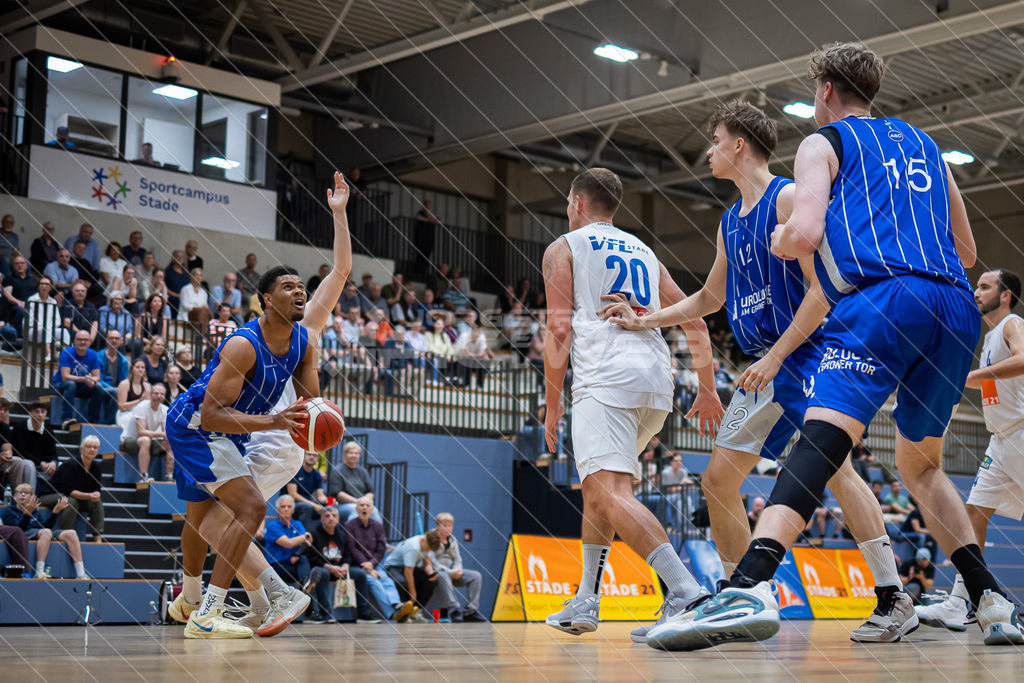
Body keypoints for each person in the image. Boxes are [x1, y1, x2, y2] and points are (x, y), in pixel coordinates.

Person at [648, 41, 1018, 651]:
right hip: (952, 308)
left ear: (824, 92)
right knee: (919, 466)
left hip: (878, 302)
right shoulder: (926, 145)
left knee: (823, 443)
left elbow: (805, 231)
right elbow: (968, 252)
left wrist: (783, 242)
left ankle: (747, 586)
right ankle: (990, 598)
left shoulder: (823, 144)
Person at [603, 100, 909, 643]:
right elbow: (709, 297)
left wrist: (776, 356)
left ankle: (892, 595)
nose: (709, 150)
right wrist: (645, 319)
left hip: (809, 352)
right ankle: (741, 597)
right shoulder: (729, 222)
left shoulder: (787, 196)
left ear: (738, 144)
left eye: (715, 139)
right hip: (764, 364)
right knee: (719, 481)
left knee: (837, 472)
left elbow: (824, 287)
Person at [539, 167, 724, 640]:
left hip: (605, 379)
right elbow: (697, 323)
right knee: (599, 491)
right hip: (656, 382)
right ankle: (585, 600)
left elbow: (559, 330)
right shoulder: (643, 250)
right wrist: (706, 388)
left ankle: (685, 591)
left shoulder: (564, 247)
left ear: (577, 203)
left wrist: (552, 404)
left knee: (608, 493)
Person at [165, 173, 351, 639]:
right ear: (267, 299)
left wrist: (321, 427)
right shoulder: (245, 343)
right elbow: (209, 413)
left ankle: (219, 602)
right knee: (212, 518)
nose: (300, 291)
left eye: (300, 286)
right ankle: (232, 602)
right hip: (217, 426)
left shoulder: (306, 337)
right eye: (287, 286)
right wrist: (278, 420)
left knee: (215, 519)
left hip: (258, 434)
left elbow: (310, 399)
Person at [917, 269, 1024, 631]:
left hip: (1021, 433)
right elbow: (995, 387)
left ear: (1005, 294)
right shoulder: (990, 336)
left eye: (984, 286)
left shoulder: (1012, 324)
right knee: (974, 514)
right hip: (1001, 439)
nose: (976, 292)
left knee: (974, 514)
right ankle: (962, 601)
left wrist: (968, 378)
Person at [306, 506, 379, 623]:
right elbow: (311, 557)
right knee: (322, 573)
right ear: (321, 519)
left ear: (338, 518)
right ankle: (325, 613)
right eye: (327, 516)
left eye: (334, 516)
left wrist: (345, 566)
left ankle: (364, 614)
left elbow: (348, 556)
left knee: (360, 574)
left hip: (341, 570)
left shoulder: (343, 535)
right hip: (325, 569)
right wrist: (329, 567)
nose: (331, 518)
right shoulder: (314, 534)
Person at [2, 484, 87, 579]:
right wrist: (27, 514)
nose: (22, 495)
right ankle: (39, 571)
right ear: (14, 496)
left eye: (26, 493)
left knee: (71, 533)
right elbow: (18, 532)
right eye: (20, 492)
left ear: (31, 497)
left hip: (39, 532)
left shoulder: (35, 511)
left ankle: (81, 573)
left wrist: (55, 511)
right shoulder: (9, 512)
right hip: (25, 533)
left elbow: (45, 526)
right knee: (46, 532)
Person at [430, 512, 486, 622]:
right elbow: (432, 562)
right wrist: (450, 572)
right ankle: (454, 610)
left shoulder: (452, 539)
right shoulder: (431, 538)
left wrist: (457, 570)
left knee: (476, 576)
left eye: (450, 526)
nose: (448, 528)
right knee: (443, 574)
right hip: (438, 572)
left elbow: (457, 559)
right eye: (445, 525)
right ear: (437, 526)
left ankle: (470, 611)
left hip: (452, 572)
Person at [51, 436, 104, 542]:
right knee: (71, 501)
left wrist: (96, 495)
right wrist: (89, 495)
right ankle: (67, 535)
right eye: (89, 446)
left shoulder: (96, 466)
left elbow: (96, 488)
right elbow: (69, 491)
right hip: (52, 494)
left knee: (97, 502)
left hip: (75, 495)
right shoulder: (71, 465)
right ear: (82, 448)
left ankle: (98, 539)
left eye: (95, 447)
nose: (92, 449)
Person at [383, 529, 442, 615]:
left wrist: (431, 573)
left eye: (430, 550)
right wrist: (413, 595)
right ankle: (401, 611)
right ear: (423, 539)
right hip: (393, 567)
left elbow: (427, 563)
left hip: (409, 567)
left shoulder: (427, 545)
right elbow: (408, 572)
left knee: (430, 581)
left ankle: (417, 611)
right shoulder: (413, 547)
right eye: (427, 548)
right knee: (401, 581)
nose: (427, 551)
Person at [52, 330, 102, 427]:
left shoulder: (94, 354)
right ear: (74, 341)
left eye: (85, 340)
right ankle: (67, 418)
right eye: (80, 339)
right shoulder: (66, 352)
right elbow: (65, 376)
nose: (83, 342)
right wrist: (85, 379)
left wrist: (92, 381)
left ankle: (93, 421)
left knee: (98, 387)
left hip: (81, 386)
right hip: (62, 385)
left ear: (89, 342)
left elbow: (97, 377)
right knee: (71, 384)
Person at [262, 495, 312, 587]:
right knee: (305, 570)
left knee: (303, 559)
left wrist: (296, 555)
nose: (286, 509)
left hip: (294, 561)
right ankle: (306, 584)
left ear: (293, 510)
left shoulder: (297, 524)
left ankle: (306, 585)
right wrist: (305, 535)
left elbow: (307, 542)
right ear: (277, 510)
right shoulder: (272, 526)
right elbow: (288, 543)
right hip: (277, 565)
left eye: (289, 507)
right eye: (283, 506)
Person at [12, 402, 58, 497]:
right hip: (24, 463)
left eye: (43, 412)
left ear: (46, 414)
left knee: (59, 466)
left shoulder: (48, 430)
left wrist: (53, 462)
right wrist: (40, 462)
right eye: (36, 412)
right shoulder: (19, 428)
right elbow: (21, 452)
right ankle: (30, 498)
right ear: (30, 413)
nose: (40, 415)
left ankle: (51, 497)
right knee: (30, 464)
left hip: (42, 465)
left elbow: (53, 452)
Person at [327, 441, 380, 522]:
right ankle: (353, 534)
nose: (354, 455)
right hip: (341, 506)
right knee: (355, 510)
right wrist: (358, 502)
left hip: (361, 504)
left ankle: (379, 535)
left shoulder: (363, 472)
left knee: (374, 510)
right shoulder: (337, 470)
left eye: (356, 453)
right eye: (351, 453)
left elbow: (370, 491)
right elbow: (337, 493)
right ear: (344, 454)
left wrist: (364, 502)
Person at [286, 451, 328, 530]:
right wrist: (313, 504)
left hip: (309, 504)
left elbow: (321, 497)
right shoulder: (295, 471)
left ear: (317, 459)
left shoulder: (317, 474)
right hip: (292, 504)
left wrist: (330, 501)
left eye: (314, 455)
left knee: (329, 510)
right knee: (307, 507)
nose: (311, 457)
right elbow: (293, 495)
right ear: (303, 456)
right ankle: (304, 537)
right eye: (309, 454)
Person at [98, 329, 129, 424]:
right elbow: (98, 378)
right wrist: (112, 388)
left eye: (117, 338)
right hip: (102, 386)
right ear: (107, 340)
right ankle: (110, 422)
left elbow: (124, 380)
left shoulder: (123, 360)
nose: (114, 340)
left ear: (121, 341)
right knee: (114, 392)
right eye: (111, 338)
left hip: (117, 389)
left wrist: (121, 389)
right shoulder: (99, 356)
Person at [660, 454, 694, 533]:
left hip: (681, 495)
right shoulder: (666, 473)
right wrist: (681, 483)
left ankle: (687, 523)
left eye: (680, 461)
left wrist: (681, 487)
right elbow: (669, 490)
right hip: (668, 496)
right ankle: (680, 527)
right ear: (671, 462)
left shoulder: (683, 472)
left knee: (688, 500)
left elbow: (690, 484)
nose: (678, 463)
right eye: (676, 461)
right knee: (679, 502)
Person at [116, 358, 151, 429]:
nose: (140, 369)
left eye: (142, 367)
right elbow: (121, 407)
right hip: (125, 414)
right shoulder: (124, 384)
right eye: (137, 367)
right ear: (132, 369)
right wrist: (139, 400)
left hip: (141, 415)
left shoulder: (147, 386)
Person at [61, 281, 98, 346]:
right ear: (72, 293)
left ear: (86, 293)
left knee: (99, 337)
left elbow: (95, 323)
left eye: (82, 291)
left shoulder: (91, 306)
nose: (80, 293)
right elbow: (66, 322)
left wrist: (92, 337)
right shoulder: (67, 304)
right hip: (74, 331)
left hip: (88, 332)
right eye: (77, 291)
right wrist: (81, 334)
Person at [164, 250, 189, 315]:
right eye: (177, 256)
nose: (180, 258)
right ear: (173, 258)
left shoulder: (186, 274)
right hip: (171, 299)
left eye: (182, 257)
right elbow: (164, 287)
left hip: (184, 299)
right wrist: (176, 295)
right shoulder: (167, 271)